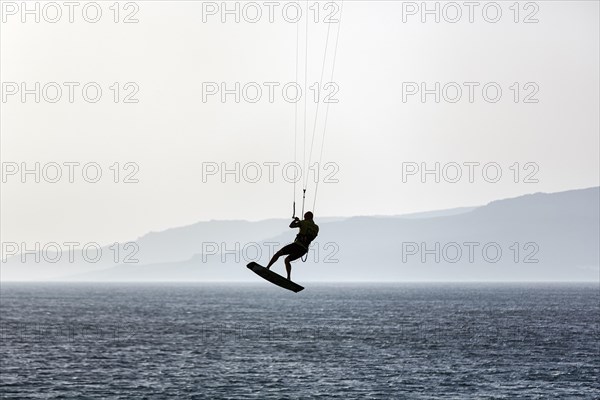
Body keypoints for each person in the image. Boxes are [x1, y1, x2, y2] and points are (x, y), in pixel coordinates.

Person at [266, 211, 319, 280]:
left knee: (278, 254)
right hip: (304, 250)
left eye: (304, 217)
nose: (304, 218)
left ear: (307, 217)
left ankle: (267, 268)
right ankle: (288, 278)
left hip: (296, 245)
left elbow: (291, 226)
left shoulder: (303, 222)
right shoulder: (316, 227)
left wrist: (296, 220)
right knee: (287, 260)